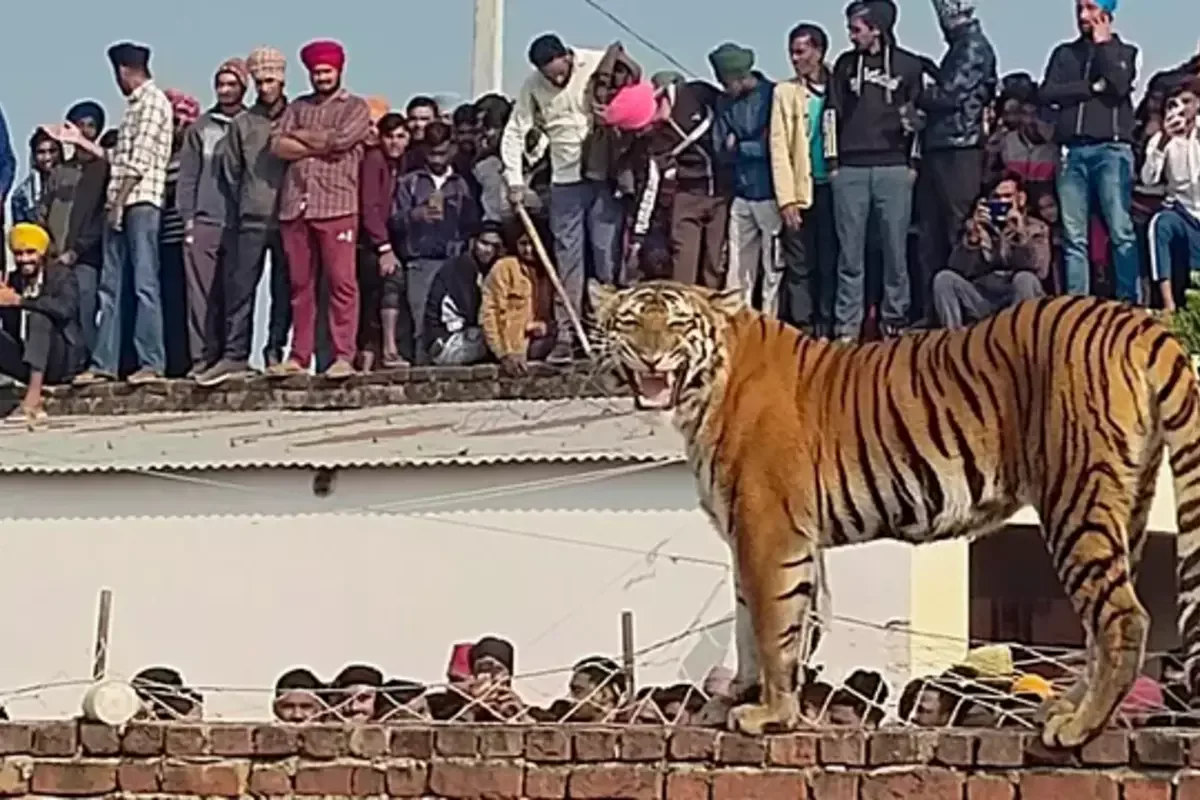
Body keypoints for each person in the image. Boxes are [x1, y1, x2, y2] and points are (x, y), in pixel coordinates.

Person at [502, 33, 607, 364]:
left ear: (567, 56)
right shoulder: (533, 85)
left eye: (558, 69)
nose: (555, 77)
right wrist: (515, 180)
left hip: (603, 175)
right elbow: (515, 131)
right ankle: (566, 335)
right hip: (564, 180)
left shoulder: (596, 62)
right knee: (568, 260)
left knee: (606, 257)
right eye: (548, 73)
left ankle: (606, 335)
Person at [270, 39, 372, 380]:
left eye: (326, 71)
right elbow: (277, 145)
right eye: (316, 72)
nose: (321, 77)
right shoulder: (297, 107)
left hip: (337, 204)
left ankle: (343, 354)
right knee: (301, 285)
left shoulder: (355, 106)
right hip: (296, 205)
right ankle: (299, 356)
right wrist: (320, 141)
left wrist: (302, 138)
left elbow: (342, 141)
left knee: (342, 284)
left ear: (338, 71)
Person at [74, 42, 173, 386]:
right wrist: (88, 146)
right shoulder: (131, 108)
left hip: (140, 203)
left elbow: (138, 163)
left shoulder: (152, 103)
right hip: (119, 203)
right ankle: (104, 363)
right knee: (110, 287)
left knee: (144, 283)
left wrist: (118, 205)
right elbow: (118, 159)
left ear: (124, 72)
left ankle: (151, 360)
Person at [828, 0, 926, 340]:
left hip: (895, 168)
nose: (851, 36)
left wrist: (913, 162)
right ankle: (846, 328)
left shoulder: (910, 66)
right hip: (851, 169)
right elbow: (830, 115)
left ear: (876, 28)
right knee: (849, 256)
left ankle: (894, 320)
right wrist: (833, 163)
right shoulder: (843, 65)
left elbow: (920, 119)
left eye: (857, 29)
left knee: (895, 252)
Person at [199, 46, 291, 386]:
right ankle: (235, 355)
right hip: (251, 217)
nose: (265, 87)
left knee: (284, 290)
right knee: (241, 288)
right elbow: (231, 172)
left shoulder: (297, 116)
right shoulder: (243, 124)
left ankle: (275, 352)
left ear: (282, 80)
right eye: (260, 81)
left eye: (271, 80)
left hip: (289, 218)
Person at [1041, 0, 1140, 302]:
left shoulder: (1125, 52)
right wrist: (1089, 87)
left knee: (1121, 229)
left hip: (1111, 150)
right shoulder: (1064, 53)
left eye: (1089, 7)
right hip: (1072, 152)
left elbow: (1120, 84)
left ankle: (1129, 302)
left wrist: (1104, 45)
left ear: (1106, 10)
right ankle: (1076, 305)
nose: (1083, 15)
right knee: (1074, 237)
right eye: (1079, 8)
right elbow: (1047, 92)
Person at [915, 0, 997, 323]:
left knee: (957, 232)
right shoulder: (960, 49)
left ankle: (962, 310)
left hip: (959, 150)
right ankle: (933, 311)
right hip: (941, 148)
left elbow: (950, 94)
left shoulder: (974, 47)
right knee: (930, 235)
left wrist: (914, 89)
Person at [177, 58, 248, 377]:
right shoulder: (200, 128)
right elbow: (188, 177)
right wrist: (188, 219)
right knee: (200, 296)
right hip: (204, 220)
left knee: (235, 292)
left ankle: (233, 356)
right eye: (220, 84)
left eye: (232, 84)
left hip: (239, 222)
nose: (225, 90)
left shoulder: (251, 124)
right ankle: (202, 357)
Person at [392, 121, 479, 364]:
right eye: (431, 153)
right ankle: (421, 374)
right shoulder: (409, 182)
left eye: (441, 152)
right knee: (421, 323)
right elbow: (393, 220)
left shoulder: (462, 184)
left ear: (451, 149)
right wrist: (414, 215)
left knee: (458, 320)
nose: (437, 159)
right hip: (420, 261)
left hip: (454, 260)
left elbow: (471, 223)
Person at [772, 23, 837, 335]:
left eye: (801, 51)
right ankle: (802, 325)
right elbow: (779, 147)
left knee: (831, 259)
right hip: (801, 188)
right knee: (800, 263)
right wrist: (786, 199)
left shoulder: (841, 85)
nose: (795, 59)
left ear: (819, 52)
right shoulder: (784, 93)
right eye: (792, 53)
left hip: (835, 187)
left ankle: (828, 324)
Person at [709, 43, 780, 316]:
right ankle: (737, 318)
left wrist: (741, 146)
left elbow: (775, 144)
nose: (723, 87)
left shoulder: (773, 96)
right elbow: (720, 146)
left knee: (773, 266)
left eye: (725, 81)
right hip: (741, 192)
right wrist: (743, 146)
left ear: (740, 76)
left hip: (771, 194)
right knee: (738, 265)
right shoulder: (724, 102)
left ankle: (770, 319)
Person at [931, 175, 1049, 329]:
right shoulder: (976, 225)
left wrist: (1020, 234)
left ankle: (1018, 341)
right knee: (944, 279)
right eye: (996, 197)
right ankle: (952, 340)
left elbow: (1040, 270)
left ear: (1021, 199)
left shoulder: (1036, 228)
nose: (1001, 202)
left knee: (1025, 279)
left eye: (1007, 197)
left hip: (1016, 295)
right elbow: (957, 267)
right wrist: (973, 239)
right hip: (983, 296)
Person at [0, 224, 84, 423]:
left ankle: (34, 400)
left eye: (30, 252)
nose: (24, 259)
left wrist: (21, 301)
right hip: (25, 358)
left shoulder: (61, 275)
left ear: (42, 253)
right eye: (19, 254)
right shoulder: (14, 279)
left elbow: (65, 310)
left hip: (60, 359)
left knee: (40, 317)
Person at [1142, 79, 1200, 315]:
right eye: (1173, 104)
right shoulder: (1161, 139)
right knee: (1160, 224)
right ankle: (1168, 305)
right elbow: (1148, 179)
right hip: (1183, 211)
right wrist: (1165, 140)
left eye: (1187, 102)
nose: (1180, 109)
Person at [357, 112, 409, 370]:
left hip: (385, 237)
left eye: (401, 136)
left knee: (376, 296)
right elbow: (369, 206)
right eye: (390, 136)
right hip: (370, 241)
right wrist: (384, 246)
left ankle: (372, 356)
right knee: (387, 284)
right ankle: (387, 351)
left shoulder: (399, 164)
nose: (395, 143)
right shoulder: (375, 159)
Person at [481, 219, 556, 376]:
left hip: (539, 344)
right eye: (523, 244)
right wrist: (503, 354)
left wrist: (543, 327)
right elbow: (490, 313)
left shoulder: (549, 274)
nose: (528, 250)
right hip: (511, 346)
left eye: (532, 243)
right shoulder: (504, 268)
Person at [424, 221, 504, 366]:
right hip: (447, 342)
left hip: (466, 338)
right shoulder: (459, 269)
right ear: (473, 242)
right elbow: (475, 314)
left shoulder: (486, 269)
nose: (488, 250)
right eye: (484, 243)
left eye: (495, 246)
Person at [10, 129, 62, 225]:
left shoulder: (75, 182)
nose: (47, 157)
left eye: (52, 151)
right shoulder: (21, 194)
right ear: (33, 155)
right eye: (41, 152)